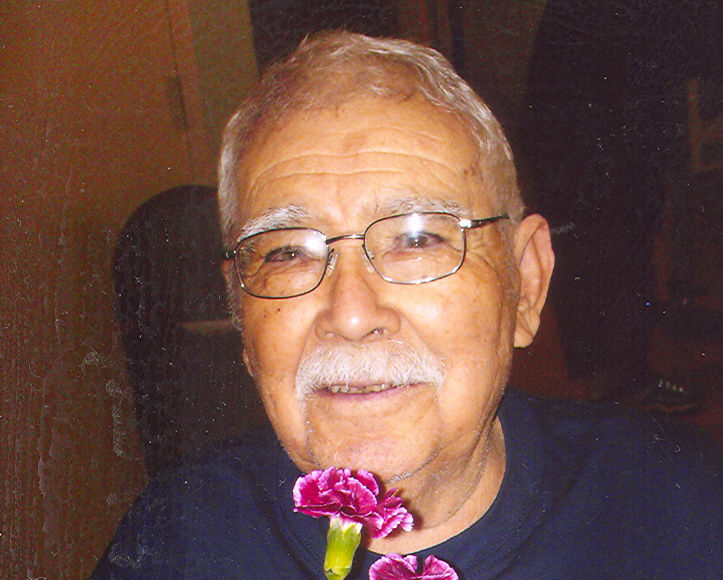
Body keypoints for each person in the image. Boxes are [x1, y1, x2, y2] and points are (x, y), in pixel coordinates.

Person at [91, 32, 721, 578]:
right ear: (240, 315)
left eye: (418, 240)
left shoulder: (686, 509)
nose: (351, 315)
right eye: (287, 252)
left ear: (525, 284)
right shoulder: (174, 543)